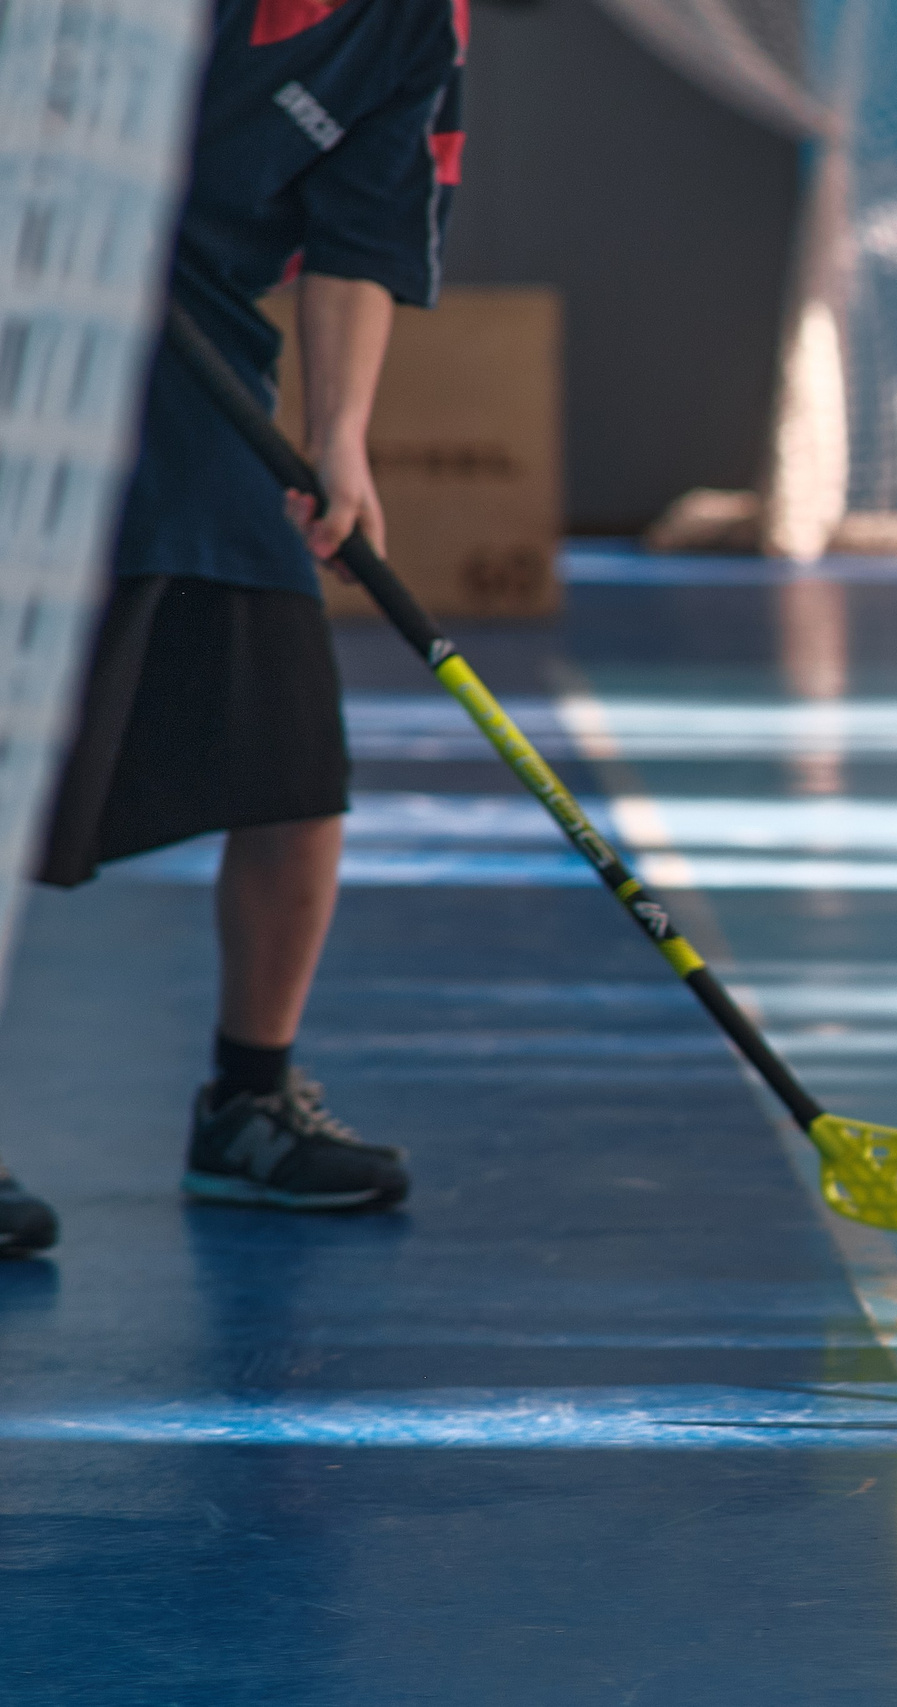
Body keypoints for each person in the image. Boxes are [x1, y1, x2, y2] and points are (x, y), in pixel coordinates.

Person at [0, 0, 467, 1257]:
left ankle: (250, 1105)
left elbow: (360, 235)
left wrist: (338, 438)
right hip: (23, 346)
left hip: (201, 374)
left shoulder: (403, 26)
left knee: (292, 765)